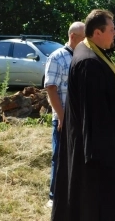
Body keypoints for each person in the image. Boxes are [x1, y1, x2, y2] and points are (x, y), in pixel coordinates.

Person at [51, 9, 115, 221]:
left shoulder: (93, 53)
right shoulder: (89, 62)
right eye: (112, 29)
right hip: (95, 157)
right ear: (97, 32)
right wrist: (102, 159)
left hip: (94, 149)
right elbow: (93, 116)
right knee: (91, 206)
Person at [44, 21, 85, 208]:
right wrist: (61, 116)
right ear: (73, 37)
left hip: (82, 119)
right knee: (59, 156)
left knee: (77, 158)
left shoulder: (84, 56)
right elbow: (51, 89)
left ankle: (74, 195)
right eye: (85, 38)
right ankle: (54, 197)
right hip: (63, 119)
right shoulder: (57, 57)